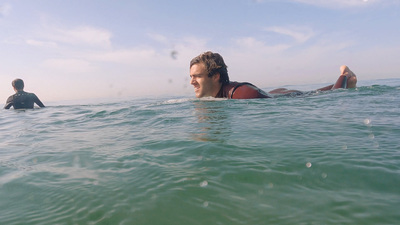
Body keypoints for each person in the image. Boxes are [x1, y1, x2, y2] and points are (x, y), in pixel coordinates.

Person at [189, 51, 357, 99]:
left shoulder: (243, 95)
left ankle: (344, 74)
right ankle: (347, 81)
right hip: (275, 92)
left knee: (332, 95)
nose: (191, 82)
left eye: (197, 76)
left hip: (282, 98)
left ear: (216, 76)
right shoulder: (218, 95)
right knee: (314, 93)